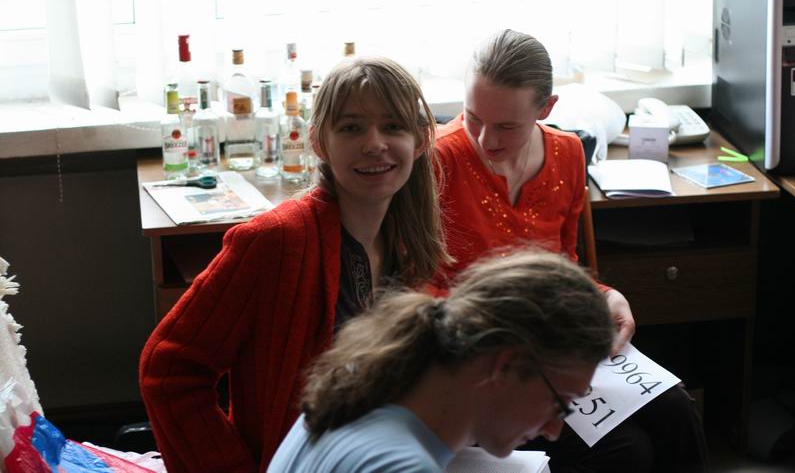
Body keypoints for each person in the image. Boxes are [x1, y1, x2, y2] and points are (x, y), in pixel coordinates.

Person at [139, 56, 450, 472]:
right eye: (351, 128)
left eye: (393, 126)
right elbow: (169, 369)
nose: (374, 143)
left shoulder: (408, 241)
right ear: (319, 142)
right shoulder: (276, 241)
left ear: (421, 139)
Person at [434, 29, 709, 472]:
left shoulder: (566, 153)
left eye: (506, 126)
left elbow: (564, 268)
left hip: (553, 349)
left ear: (545, 109)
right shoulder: (437, 161)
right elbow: (417, 287)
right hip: (480, 364)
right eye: (473, 118)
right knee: (628, 451)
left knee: (677, 411)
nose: (485, 140)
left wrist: (602, 295)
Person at [268, 250, 616, 472]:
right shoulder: (402, 466)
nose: (554, 431)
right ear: (506, 364)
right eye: (560, 404)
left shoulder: (360, 384)